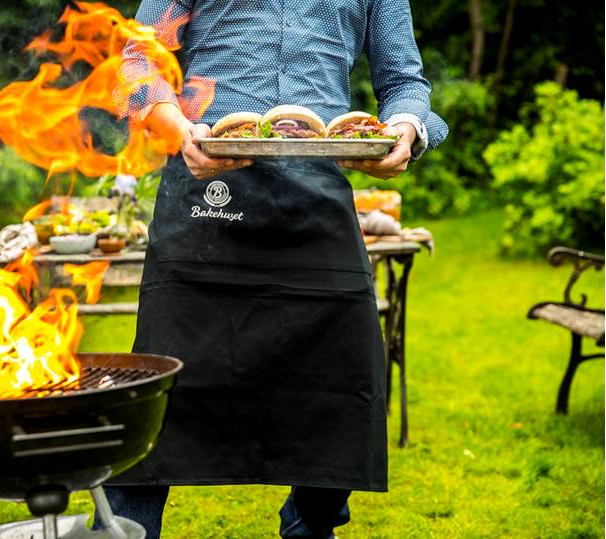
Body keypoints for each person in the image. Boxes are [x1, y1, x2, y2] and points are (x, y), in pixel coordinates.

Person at [106, 1, 448, 537]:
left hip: (316, 199)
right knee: (163, 391)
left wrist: (405, 127)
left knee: (342, 380)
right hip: (205, 192)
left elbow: (405, 80)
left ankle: (312, 524)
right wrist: (177, 129)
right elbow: (137, 62)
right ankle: (126, 528)